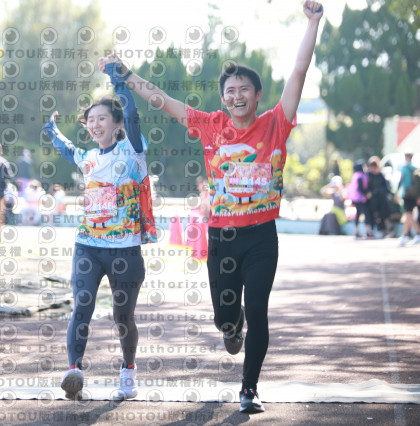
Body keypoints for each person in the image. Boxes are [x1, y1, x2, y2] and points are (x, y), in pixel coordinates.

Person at [112, 0, 324, 413]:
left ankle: (249, 389)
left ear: (257, 95)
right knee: (226, 319)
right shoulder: (211, 126)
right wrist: (127, 75)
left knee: (258, 310)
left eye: (244, 89)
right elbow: (163, 100)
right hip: (223, 237)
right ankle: (232, 325)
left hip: (261, 237)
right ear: (224, 98)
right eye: (230, 91)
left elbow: (299, 71)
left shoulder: (276, 123)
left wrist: (312, 24)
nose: (237, 95)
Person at [41, 61, 156, 401]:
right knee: (82, 304)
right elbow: (67, 150)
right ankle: (74, 369)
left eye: (102, 118)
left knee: (123, 317)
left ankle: (128, 370)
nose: (95, 125)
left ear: (117, 124)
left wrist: (118, 82)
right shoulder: (89, 157)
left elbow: (133, 114)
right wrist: (51, 130)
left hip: (125, 249)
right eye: (90, 120)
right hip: (88, 245)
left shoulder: (133, 150)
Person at [396, 153, 420, 246]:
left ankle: (418, 234)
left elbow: (401, 180)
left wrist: (396, 192)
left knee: (408, 214)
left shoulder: (404, 168)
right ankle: (405, 235)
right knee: (409, 214)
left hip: (407, 193)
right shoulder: (415, 168)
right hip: (414, 195)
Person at [366, 156, 394, 237]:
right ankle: (382, 231)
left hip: (382, 200)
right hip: (373, 201)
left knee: (385, 215)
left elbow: (386, 188)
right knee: (376, 216)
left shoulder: (381, 175)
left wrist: (378, 190)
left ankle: (389, 231)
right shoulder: (368, 175)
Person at [347, 161, 373, 238]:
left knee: (357, 215)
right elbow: (361, 188)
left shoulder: (354, 175)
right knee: (366, 214)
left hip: (355, 198)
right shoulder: (361, 176)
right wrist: (367, 192)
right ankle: (367, 231)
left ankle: (356, 231)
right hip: (361, 198)